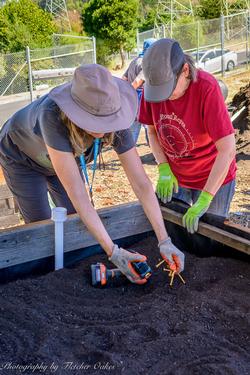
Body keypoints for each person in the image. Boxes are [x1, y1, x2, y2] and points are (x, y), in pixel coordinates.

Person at [0, 64, 185, 283]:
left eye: (106, 121)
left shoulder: (115, 114)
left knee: (73, 220)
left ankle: (71, 272)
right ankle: (47, 280)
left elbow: (141, 183)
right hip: (22, 157)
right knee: (41, 226)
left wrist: (164, 239)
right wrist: (114, 252)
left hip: (62, 158)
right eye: (94, 120)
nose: (102, 128)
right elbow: (79, 194)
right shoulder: (51, 116)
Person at [139, 38, 236, 234]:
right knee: (176, 232)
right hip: (176, 176)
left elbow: (227, 149)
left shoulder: (206, 88)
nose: (163, 97)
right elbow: (152, 132)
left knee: (210, 238)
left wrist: (206, 198)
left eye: (169, 88)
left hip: (212, 174)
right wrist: (164, 167)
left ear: (185, 70)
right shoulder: (153, 92)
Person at [122, 38, 157, 144]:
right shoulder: (146, 63)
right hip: (142, 98)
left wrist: (125, 96)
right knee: (149, 127)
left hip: (132, 100)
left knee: (133, 128)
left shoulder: (135, 61)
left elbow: (124, 78)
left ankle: (129, 152)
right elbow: (138, 82)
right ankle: (154, 152)